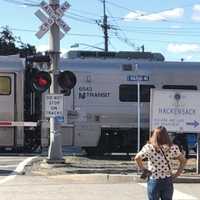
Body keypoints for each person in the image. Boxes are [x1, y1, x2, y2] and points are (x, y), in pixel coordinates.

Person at [135, 126, 187, 200]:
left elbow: (137, 158)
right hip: (167, 179)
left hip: (154, 179)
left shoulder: (149, 147)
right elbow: (183, 161)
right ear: (166, 136)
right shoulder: (173, 147)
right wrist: (177, 174)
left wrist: (144, 169)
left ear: (154, 135)